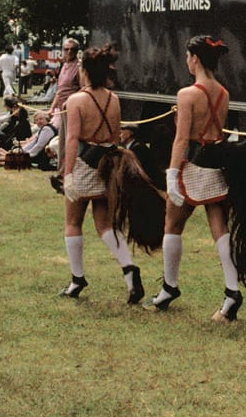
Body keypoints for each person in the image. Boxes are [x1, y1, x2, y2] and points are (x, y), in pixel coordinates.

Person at [154, 34, 246, 320]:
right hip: (217, 161)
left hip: (194, 164)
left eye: (188, 57)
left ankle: (169, 286)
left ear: (195, 59)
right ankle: (231, 290)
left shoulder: (187, 94)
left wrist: (172, 174)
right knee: (220, 228)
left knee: (172, 224)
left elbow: (181, 140)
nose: (187, 62)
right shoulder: (223, 93)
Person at [54, 44, 165, 304]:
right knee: (104, 225)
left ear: (85, 72)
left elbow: (71, 140)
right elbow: (115, 136)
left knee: (72, 223)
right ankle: (128, 270)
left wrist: (67, 174)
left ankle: (76, 279)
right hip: (107, 165)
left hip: (83, 164)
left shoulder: (76, 100)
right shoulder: (113, 99)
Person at [49, 37, 82, 134]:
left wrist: (69, 102)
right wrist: (52, 107)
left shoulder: (80, 67)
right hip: (60, 109)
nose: (69, 51)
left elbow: (84, 88)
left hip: (71, 109)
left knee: (69, 136)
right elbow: (60, 90)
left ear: (77, 51)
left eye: (73, 49)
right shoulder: (64, 65)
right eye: (66, 49)